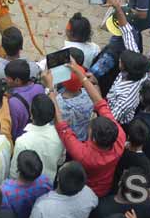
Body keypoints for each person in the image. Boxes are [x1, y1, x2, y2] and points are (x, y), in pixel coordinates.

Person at [44, 67, 123, 197]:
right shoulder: (120, 137)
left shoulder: (83, 154)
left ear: (94, 139)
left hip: (86, 190)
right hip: (104, 185)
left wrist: (51, 90)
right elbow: (101, 103)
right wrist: (82, 77)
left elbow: (62, 127)